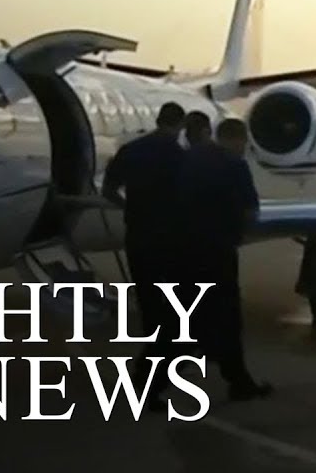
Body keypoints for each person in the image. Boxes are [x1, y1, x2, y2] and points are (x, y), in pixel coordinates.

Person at [177, 115, 273, 401]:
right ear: (237, 139)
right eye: (244, 143)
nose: (244, 149)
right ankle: (238, 381)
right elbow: (250, 213)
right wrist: (238, 234)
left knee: (183, 315)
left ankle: (157, 378)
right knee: (227, 317)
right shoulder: (234, 165)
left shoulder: (187, 160)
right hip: (218, 252)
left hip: (183, 251)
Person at [101, 102, 187, 348]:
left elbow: (109, 189)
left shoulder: (130, 150)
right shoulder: (180, 157)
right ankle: (173, 345)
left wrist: (127, 206)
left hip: (138, 233)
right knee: (174, 293)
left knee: (147, 294)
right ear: (180, 125)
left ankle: (154, 342)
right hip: (171, 237)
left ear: (158, 120)